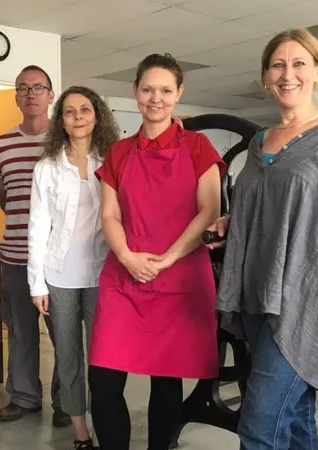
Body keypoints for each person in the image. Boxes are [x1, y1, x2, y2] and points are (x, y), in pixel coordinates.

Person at [209, 28, 318, 450]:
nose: (288, 74)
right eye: (278, 65)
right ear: (266, 77)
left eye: (299, 63)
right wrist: (234, 220)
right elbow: (278, 202)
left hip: (311, 302)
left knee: (258, 427)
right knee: (296, 420)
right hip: (257, 296)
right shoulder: (259, 143)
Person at [88, 53, 225, 450]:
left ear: (179, 93)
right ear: (135, 92)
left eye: (165, 90)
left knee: (167, 382)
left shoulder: (199, 146)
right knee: (104, 381)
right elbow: (109, 214)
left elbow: (210, 210)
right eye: (147, 89)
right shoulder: (119, 152)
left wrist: (166, 259)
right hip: (123, 277)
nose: (156, 98)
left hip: (179, 277)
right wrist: (129, 258)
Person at [27, 86, 120, 450]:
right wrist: (37, 284)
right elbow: (37, 227)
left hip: (103, 276)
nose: (78, 117)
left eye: (85, 110)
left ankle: (104, 427)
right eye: (69, 112)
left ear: (97, 115)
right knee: (68, 358)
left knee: (103, 359)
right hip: (59, 277)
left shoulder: (113, 161)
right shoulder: (47, 168)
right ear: (60, 120)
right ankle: (81, 433)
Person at [0, 65, 69, 427]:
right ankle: (24, 397)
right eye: (23, 88)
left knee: (64, 333)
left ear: (51, 95)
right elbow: (5, 198)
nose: (31, 94)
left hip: (60, 261)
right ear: (16, 96)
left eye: (38, 87)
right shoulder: (2, 144)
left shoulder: (69, 139)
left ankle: (68, 402)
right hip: (15, 257)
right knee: (21, 332)